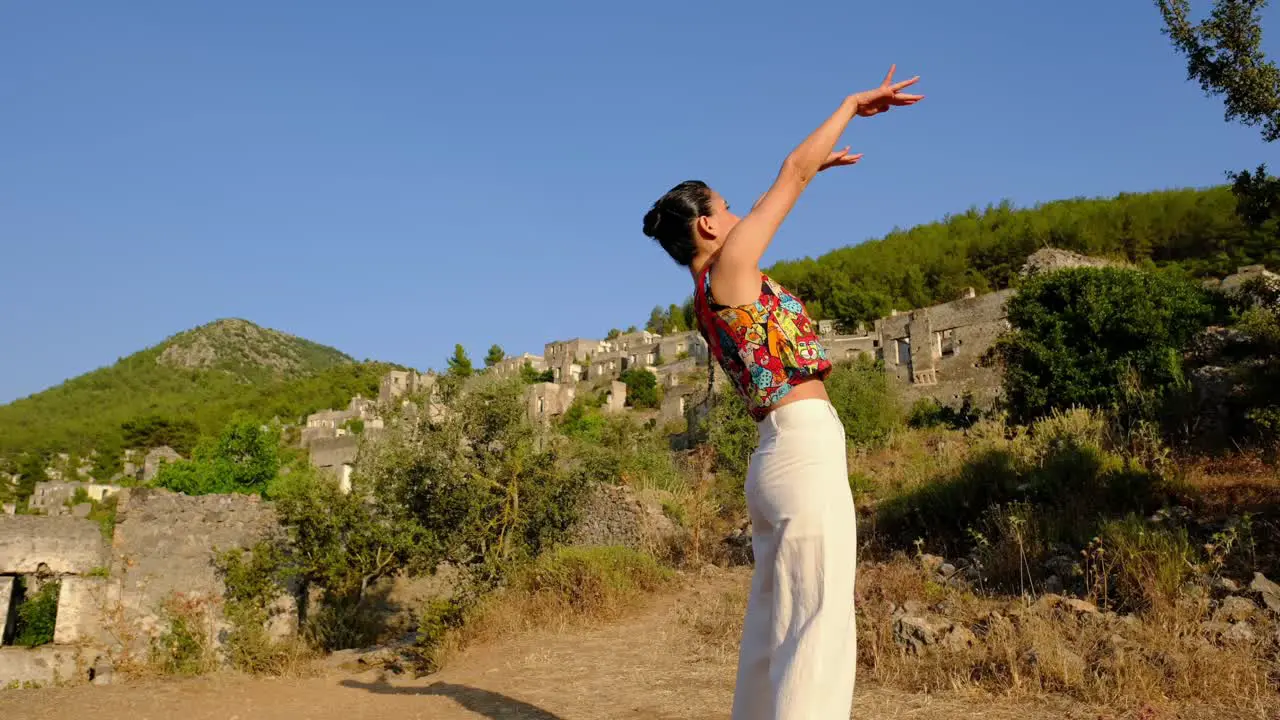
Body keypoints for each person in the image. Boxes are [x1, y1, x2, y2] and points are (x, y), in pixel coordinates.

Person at [640, 66, 923, 719]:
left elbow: (796, 176)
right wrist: (851, 104)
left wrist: (812, 169)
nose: (739, 216)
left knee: (776, 631)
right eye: (728, 207)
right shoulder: (731, 270)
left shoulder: (710, 294)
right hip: (801, 447)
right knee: (816, 632)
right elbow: (790, 172)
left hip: (776, 457)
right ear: (708, 228)